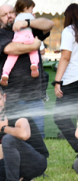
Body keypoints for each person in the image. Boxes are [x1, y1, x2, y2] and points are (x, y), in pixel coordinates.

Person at [0, 3, 53, 136]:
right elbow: (10, 48)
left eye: (11, 12)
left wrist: (28, 21)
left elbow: (49, 24)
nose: (9, 16)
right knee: (14, 138)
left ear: (17, 13)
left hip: (34, 95)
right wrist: (34, 46)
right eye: (4, 14)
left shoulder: (28, 28)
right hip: (12, 98)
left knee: (38, 137)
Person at [53, 3, 78, 170]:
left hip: (71, 80)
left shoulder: (69, 30)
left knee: (59, 117)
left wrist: (57, 81)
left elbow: (66, 58)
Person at [0, 0, 40, 86]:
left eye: (11, 12)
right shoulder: (30, 16)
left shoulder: (17, 19)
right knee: (33, 51)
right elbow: (37, 28)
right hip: (28, 37)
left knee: (11, 58)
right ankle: (34, 64)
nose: (32, 11)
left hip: (17, 37)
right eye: (31, 9)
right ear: (26, 8)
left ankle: (5, 73)